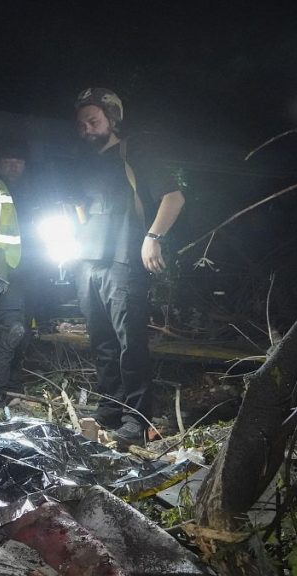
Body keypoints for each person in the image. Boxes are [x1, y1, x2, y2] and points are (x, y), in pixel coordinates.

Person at [70, 87, 185, 445]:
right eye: (82, 124)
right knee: (101, 340)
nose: (86, 129)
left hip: (123, 260)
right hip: (88, 260)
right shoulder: (84, 161)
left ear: (112, 119)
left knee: (128, 342)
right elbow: (79, 205)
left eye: (93, 121)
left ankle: (137, 419)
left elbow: (175, 195)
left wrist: (153, 237)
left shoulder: (135, 152)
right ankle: (109, 407)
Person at [0, 145, 48, 414]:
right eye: (8, 159)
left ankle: (13, 390)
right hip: (1, 275)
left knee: (25, 333)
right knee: (10, 332)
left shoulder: (29, 191)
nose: (14, 165)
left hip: (28, 274)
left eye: (19, 160)